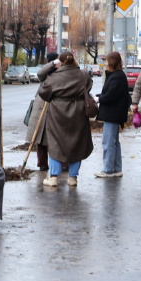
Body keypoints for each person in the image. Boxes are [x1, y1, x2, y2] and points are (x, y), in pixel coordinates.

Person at [38, 51, 94, 187]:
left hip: (58, 113)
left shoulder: (54, 78)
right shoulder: (83, 75)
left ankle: (53, 177)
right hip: (79, 113)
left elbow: (43, 93)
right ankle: (73, 178)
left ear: (61, 62)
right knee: (76, 143)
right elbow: (89, 85)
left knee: (55, 142)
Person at [94, 51, 130, 178]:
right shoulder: (118, 76)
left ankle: (108, 169)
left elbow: (111, 95)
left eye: (107, 61)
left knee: (108, 142)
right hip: (115, 113)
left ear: (112, 62)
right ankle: (116, 168)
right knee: (114, 143)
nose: (106, 63)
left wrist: (100, 99)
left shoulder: (117, 76)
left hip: (112, 114)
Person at [24, 52, 61, 170]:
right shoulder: (45, 74)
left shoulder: (61, 73)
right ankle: (42, 164)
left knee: (58, 138)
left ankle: (61, 165)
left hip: (56, 107)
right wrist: (53, 63)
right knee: (40, 137)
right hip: (41, 108)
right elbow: (40, 73)